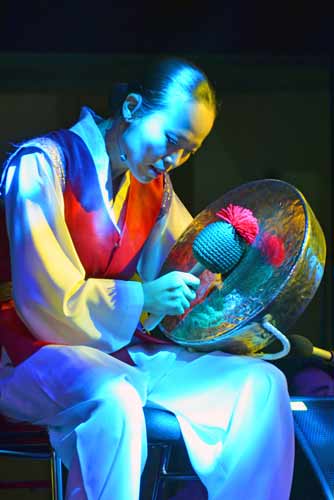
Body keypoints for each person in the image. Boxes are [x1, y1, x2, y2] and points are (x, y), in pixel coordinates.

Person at [0, 56, 294, 500]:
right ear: (133, 106)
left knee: (261, 385)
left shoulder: (156, 192)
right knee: (117, 398)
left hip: (113, 350)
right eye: (170, 140)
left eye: (189, 151)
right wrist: (142, 300)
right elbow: (45, 303)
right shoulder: (41, 165)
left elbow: (186, 272)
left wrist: (237, 291)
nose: (173, 159)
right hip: (22, 354)